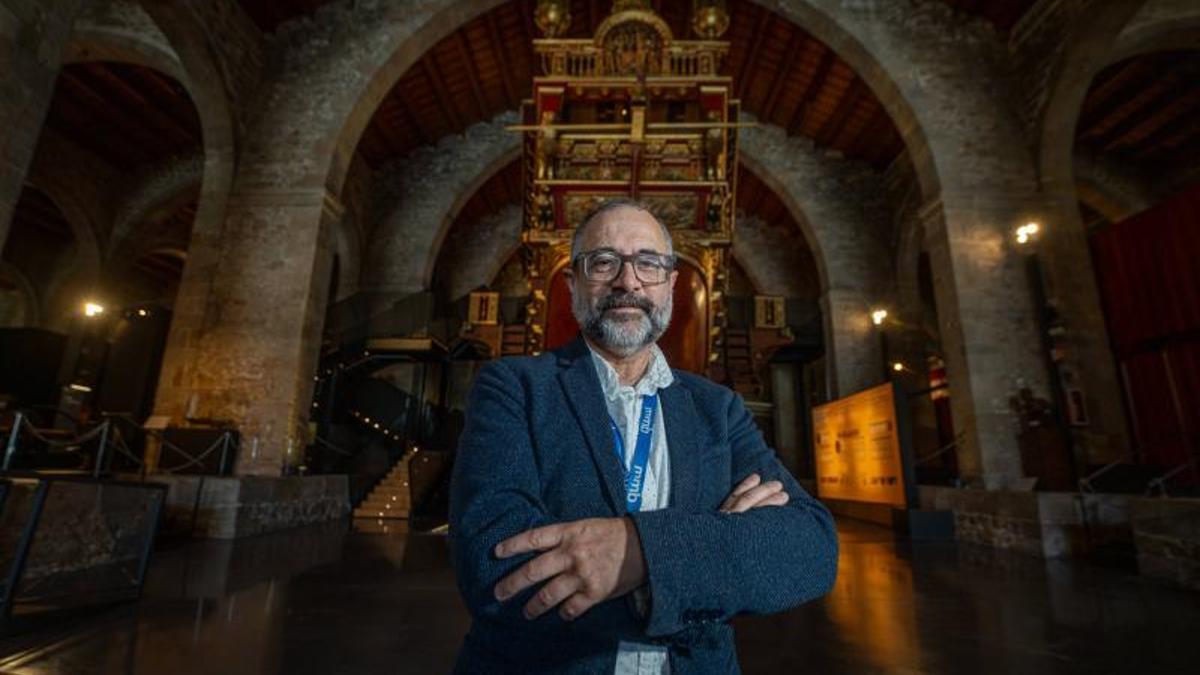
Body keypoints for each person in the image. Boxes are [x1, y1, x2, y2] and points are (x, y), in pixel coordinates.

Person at [448, 199, 838, 674]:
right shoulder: (513, 388)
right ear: (572, 284)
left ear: (671, 283)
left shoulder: (718, 409)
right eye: (603, 262)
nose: (627, 281)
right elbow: (492, 567)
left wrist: (637, 553)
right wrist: (719, 547)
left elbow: (811, 548)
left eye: (648, 263)